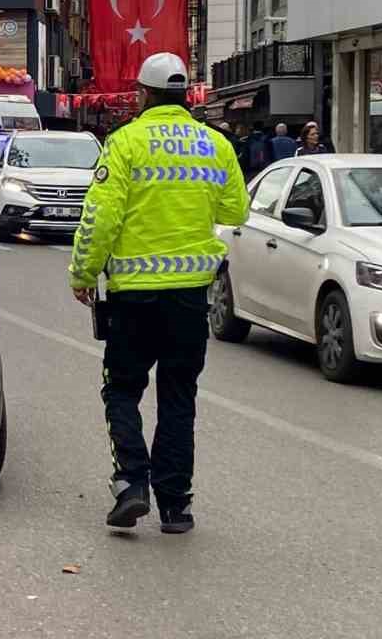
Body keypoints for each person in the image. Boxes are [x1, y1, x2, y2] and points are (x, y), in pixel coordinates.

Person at [68, 53, 248, 535]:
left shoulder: (125, 142)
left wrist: (83, 272)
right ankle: (176, 505)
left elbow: (100, 218)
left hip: (134, 298)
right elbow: (236, 210)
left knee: (122, 389)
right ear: (186, 94)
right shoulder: (216, 144)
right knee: (178, 397)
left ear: (143, 94)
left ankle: (131, 483)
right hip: (190, 297)